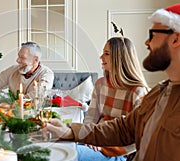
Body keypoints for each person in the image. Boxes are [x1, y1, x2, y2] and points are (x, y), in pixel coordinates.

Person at [44, 3, 180, 161]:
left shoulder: (141, 92)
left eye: (152, 35)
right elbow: (124, 129)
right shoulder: (159, 92)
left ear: (176, 39)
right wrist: (70, 132)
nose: (146, 43)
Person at [78, 37, 149, 161]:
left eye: (106, 54)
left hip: (117, 152)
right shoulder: (100, 84)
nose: (101, 57)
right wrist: (89, 137)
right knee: (59, 144)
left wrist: (103, 146)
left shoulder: (138, 91)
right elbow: (90, 117)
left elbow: (138, 137)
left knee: (71, 154)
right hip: (95, 140)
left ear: (119, 58)